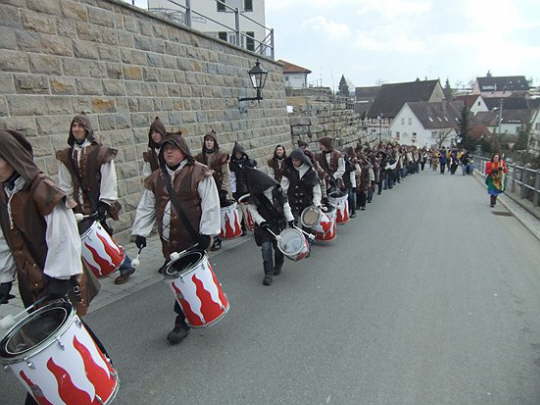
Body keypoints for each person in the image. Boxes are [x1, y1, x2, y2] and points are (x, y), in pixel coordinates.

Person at [0, 129, 100, 405]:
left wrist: (58, 282)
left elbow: (64, 237)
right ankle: (90, 375)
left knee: (63, 335)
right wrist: (4, 279)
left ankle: (85, 384)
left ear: (12, 158)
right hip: (32, 283)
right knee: (65, 335)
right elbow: (8, 239)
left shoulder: (43, 190)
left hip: (60, 281)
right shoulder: (4, 194)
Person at [131, 133, 221, 344]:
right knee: (178, 280)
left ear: (183, 150)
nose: (168, 152)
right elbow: (146, 207)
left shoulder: (199, 172)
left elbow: (211, 203)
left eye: (173, 147)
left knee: (184, 280)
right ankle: (192, 309)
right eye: (165, 149)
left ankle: (182, 321)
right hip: (168, 242)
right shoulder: (156, 177)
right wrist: (141, 232)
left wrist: (208, 233)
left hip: (192, 239)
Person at [56, 114, 136, 285]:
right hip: (77, 204)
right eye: (74, 126)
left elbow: (109, 177)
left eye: (80, 126)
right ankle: (83, 277)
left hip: (95, 201)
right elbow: (64, 182)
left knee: (103, 235)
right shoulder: (66, 155)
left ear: (87, 129)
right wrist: (67, 201)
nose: (77, 129)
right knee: (75, 238)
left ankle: (125, 265)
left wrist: (104, 203)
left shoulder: (100, 152)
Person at [246, 168, 294, 286]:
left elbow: (285, 205)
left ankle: (278, 265)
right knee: (266, 248)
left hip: (278, 223)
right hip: (265, 226)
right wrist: (261, 221)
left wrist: (291, 219)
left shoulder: (278, 190)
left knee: (279, 248)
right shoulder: (256, 195)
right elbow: (252, 209)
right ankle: (268, 273)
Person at [195, 130, 231, 251]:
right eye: (207, 140)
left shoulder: (221, 156)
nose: (208, 143)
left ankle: (217, 238)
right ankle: (208, 238)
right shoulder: (200, 156)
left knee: (216, 214)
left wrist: (224, 189)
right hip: (205, 189)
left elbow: (226, 174)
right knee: (206, 213)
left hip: (218, 187)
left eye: (211, 141)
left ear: (214, 142)